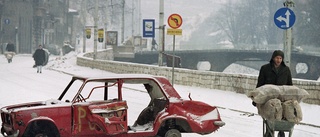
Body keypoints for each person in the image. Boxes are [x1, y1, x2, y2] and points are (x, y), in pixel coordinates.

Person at [256, 50, 293, 137]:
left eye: (280, 58)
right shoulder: (265, 69)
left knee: (282, 116)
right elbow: (260, 84)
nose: (278, 60)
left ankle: (281, 132)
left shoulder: (286, 70)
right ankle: (269, 133)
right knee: (270, 117)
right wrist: (256, 98)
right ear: (273, 58)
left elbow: (290, 86)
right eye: (277, 58)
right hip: (269, 100)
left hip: (282, 99)